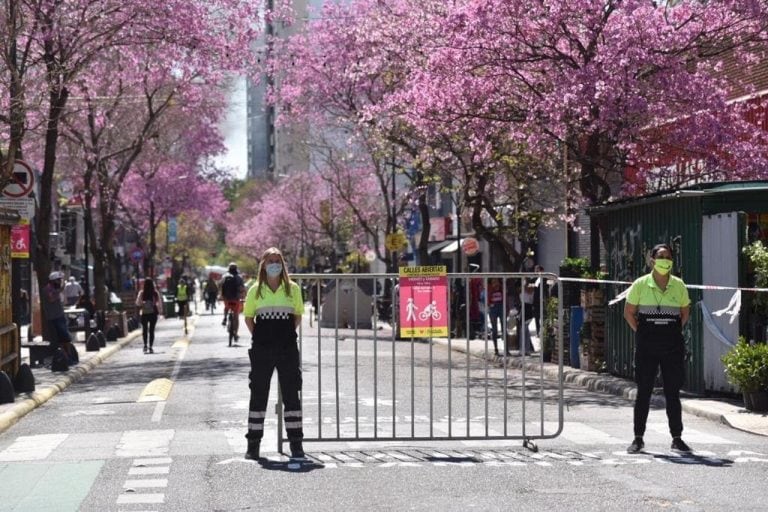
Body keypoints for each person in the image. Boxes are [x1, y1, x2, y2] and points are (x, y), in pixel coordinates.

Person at [623, 243, 692, 454]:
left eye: (668, 257)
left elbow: (684, 313)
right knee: (644, 391)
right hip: (647, 346)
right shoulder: (640, 284)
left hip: (672, 346)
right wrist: (642, 333)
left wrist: (670, 331)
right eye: (661, 256)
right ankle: (638, 438)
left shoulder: (679, 285)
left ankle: (677, 438)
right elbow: (628, 313)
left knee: (673, 392)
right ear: (652, 260)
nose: (665, 261)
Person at [243, 247, 305, 461]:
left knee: (291, 395)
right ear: (263, 264)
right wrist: (261, 337)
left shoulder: (293, 289)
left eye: (277, 260)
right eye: (270, 260)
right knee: (258, 395)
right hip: (262, 349)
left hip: (287, 347)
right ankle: (253, 444)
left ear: (283, 264)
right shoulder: (255, 290)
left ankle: (296, 443)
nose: (274, 264)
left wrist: (284, 335)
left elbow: (297, 316)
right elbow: (249, 318)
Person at [44, 271, 77, 364]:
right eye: (59, 280)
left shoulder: (54, 289)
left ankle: (68, 357)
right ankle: (66, 358)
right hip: (55, 317)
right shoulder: (49, 289)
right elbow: (51, 299)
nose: (60, 282)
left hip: (59, 315)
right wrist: (59, 291)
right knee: (63, 338)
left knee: (65, 338)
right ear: (54, 280)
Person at [136, 278, 162, 354]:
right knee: (151, 330)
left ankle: (145, 345)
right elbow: (159, 303)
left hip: (144, 313)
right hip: (153, 313)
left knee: (144, 330)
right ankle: (150, 347)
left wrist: (143, 303)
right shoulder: (155, 293)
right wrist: (160, 312)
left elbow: (137, 303)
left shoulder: (142, 293)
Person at [220, 262, 246, 341]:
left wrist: (221, 296)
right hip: (236, 299)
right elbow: (242, 288)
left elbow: (221, 286)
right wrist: (243, 296)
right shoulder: (239, 277)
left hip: (227, 298)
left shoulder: (224, 276)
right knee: (236, 317)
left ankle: (224, 317)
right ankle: (236, 333)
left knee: (226, 307)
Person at [486, 278, 506, 356]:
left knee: (504, 327)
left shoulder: (501, 288)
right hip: (493, 308)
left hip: (501, 307)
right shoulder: (490, 289)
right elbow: (487, 299)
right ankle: (496, 348)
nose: (495, 283)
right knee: (494, 329)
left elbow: (505, 298)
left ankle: (506, 349)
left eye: (496, 281)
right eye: (493, 281)